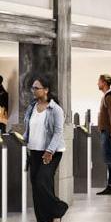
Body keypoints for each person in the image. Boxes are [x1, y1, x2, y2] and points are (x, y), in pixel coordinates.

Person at [23, 76, 68, 222]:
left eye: (37, 88)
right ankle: (44, 219)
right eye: (33, 88)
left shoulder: (55, 109)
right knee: (37, 187)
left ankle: (59, 208)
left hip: (51, 152)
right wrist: (23, 140)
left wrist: (49, 151)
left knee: (42, 181)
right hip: (34, 151)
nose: (33, 90)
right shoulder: (31, 107)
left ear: (46, 90)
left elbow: (58, 132)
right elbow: (29, 128)